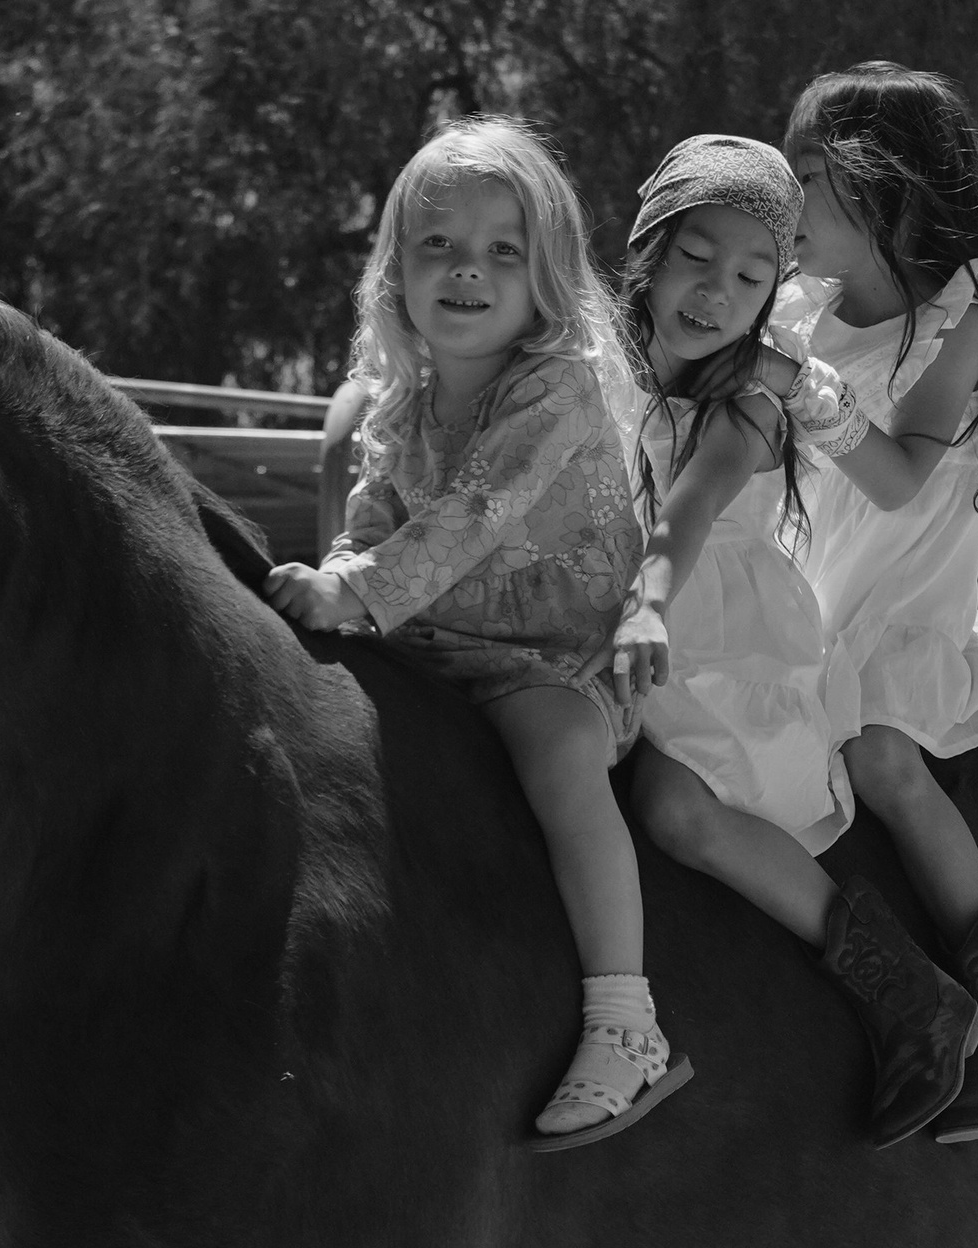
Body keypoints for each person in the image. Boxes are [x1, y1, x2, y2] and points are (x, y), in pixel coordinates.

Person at [266, 118, 675, 1141]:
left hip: (552, 656)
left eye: (502, 252)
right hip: (432, 645)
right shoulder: (395, 399)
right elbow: (374, 525)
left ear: (544, 278)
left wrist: (353, 595)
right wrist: (333, 581)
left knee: (556, 750)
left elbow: (474, 512)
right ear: (395, 267)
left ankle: (624, 1014)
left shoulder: (557, 386)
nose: (466, 272)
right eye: (437, 246)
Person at [612, 136, 978, 1146]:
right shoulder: (597, 373)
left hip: (713, 648)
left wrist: (643, 606)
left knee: (676, 810)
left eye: (749, 275)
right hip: (619, 624)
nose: (715, 291)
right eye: (696, 259)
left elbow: (680, 521)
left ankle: (903, 985)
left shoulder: (742, 405)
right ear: (646, 251)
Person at [780, 62, 978, 1139]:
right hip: (807, 591)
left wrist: (798, 389)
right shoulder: (793, 308)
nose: (786, 203)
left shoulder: (964, 309)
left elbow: (901, 473)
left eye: (806, 179)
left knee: (882, 761)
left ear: (885, 189)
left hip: (902, 605)